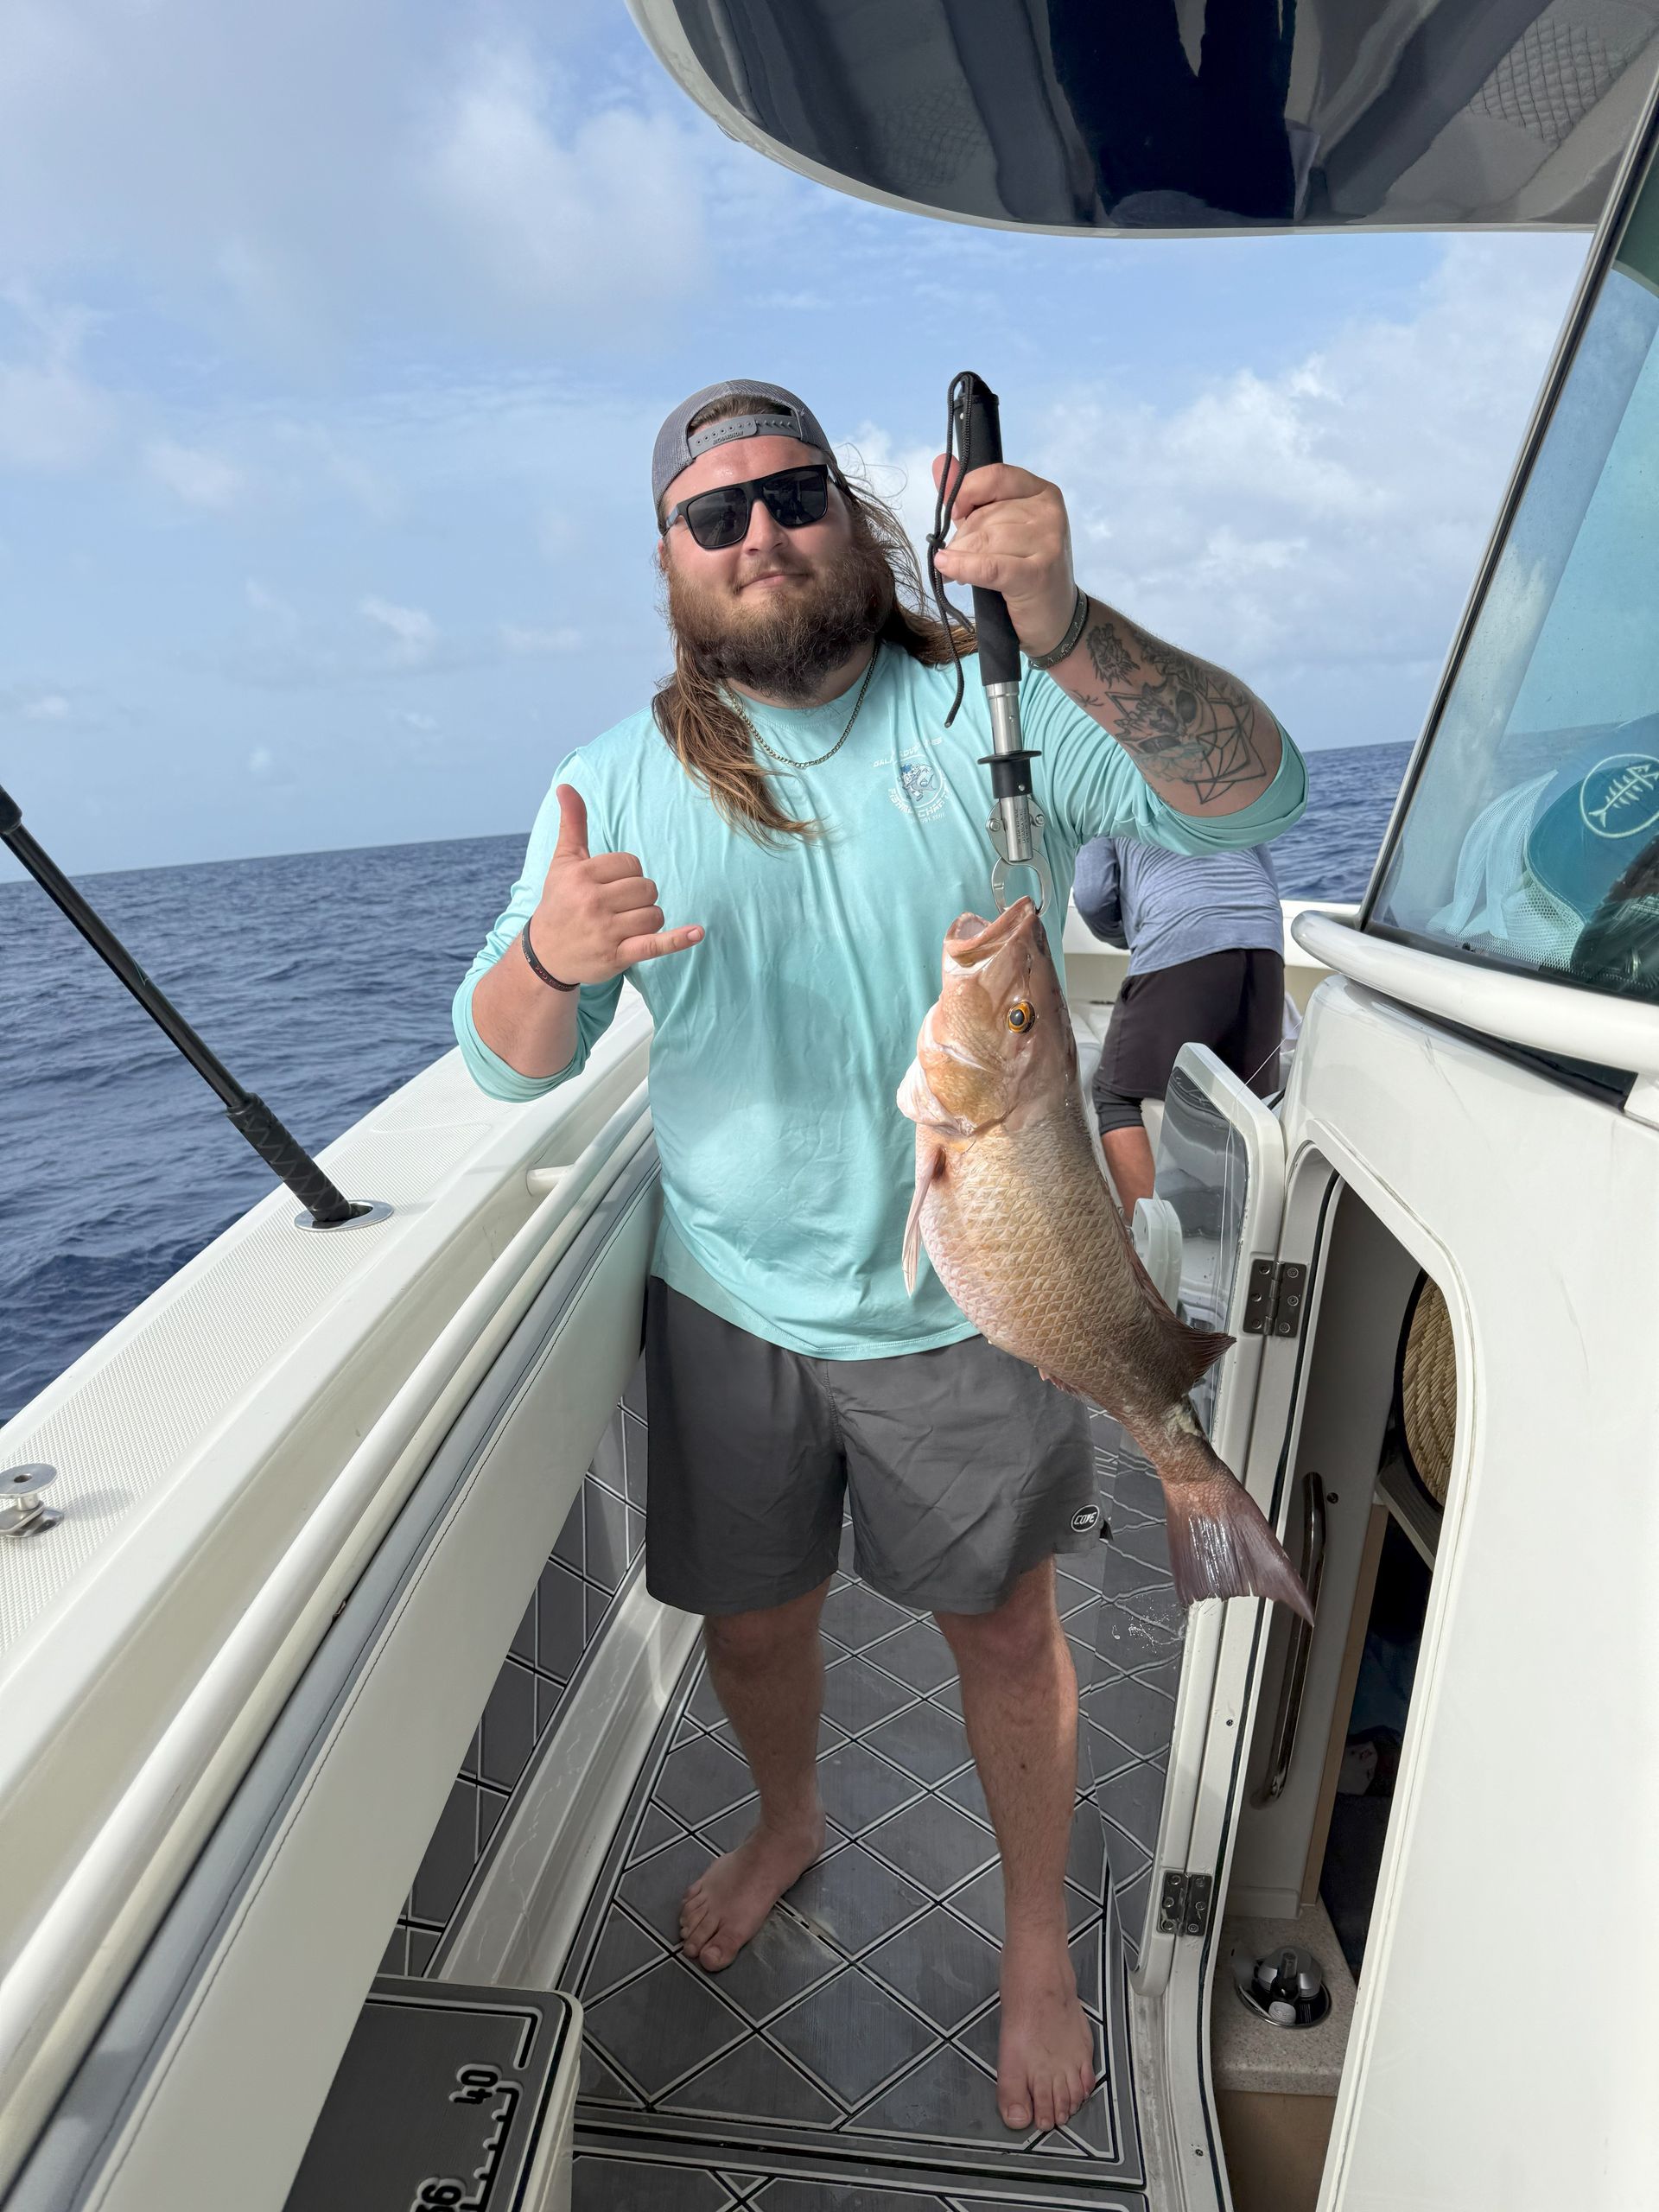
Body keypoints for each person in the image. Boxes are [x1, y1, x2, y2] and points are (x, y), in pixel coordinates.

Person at [454, 379, 1306, 2134]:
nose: (758, 531)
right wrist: (546, 955)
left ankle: (1034, 1945)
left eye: (792, 494)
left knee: (1006, 1629)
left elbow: (1246, 797)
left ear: (857, 518)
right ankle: (788, 1816)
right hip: (732, 1299)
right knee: (754, 1631)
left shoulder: (994, 706)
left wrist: (1069, 627)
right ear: (674, 562)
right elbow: (502, 1059)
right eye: (715, 514)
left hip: (977, 1288)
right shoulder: (613, 783)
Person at [1073, 836, 1287, 1216]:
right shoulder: (1225, 781)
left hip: (1179, 929)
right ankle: (1241, 1236)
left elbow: (1092, 896)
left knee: (1114, 1095)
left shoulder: (1106, 789)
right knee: (1244, 1103)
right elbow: (1266, 875)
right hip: (1264, 935)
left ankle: (1152, 1246)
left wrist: (1135, 933)